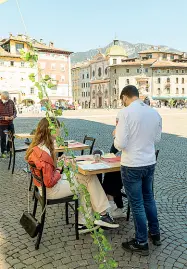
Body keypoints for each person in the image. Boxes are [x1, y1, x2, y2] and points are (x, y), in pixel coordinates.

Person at [25, 118, 119, 233]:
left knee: (86, 178)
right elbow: (49, 181)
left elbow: (47, 173)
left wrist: (58, 162)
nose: (60, 130)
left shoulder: (39, 147)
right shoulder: (44, 152)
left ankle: (87, 222)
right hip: (51, 190)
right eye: (58, 127)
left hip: (44, 188)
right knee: (88, 179)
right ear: (52, 130)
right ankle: (99, 215)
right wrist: (59, 168)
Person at [114, 85, 162, 256]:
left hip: (132, 164)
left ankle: (141, 242)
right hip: (149, 161)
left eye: (122, 100)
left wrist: (116, 135)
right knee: (149, 198)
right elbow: (157, 138)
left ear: (125, 97)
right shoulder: (154, 112)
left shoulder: (125, 113)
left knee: (137, 203)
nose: (123, 103)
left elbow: (119, 144)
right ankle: (155, 234)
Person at [0, 91, 17, 158]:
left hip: (10, 124)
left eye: (7, 99)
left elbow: (15, 111)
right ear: (1, 97)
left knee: (11, 137)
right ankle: (3, 152)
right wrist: (4, 118)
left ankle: (9, 150)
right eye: (5, 99)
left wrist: (13, 116)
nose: (6, 100)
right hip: (2, 125)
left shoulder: (11, 102)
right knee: (3, 138)